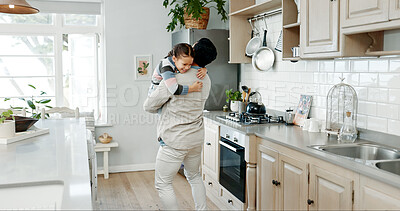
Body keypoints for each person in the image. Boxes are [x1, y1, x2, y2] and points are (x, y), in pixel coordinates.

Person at [143, 38, 217, 210]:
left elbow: (148, 106)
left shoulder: (175, 77)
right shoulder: (206, 78)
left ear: (193, 52)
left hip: (174, 140)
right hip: (195, 138)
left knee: (163, 183)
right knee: (195, 176)